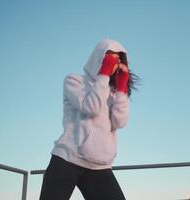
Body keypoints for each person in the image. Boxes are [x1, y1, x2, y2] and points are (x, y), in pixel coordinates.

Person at [39, 38, 139, 200]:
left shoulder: (114, 92)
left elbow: (119, 122)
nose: (113, 63)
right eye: (109, 58)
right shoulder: (74, 81)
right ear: (98, 57)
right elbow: (91, 108)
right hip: (67, 159)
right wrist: (104, 75)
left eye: (117, 59)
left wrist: (121, 90)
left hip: (99, 166)